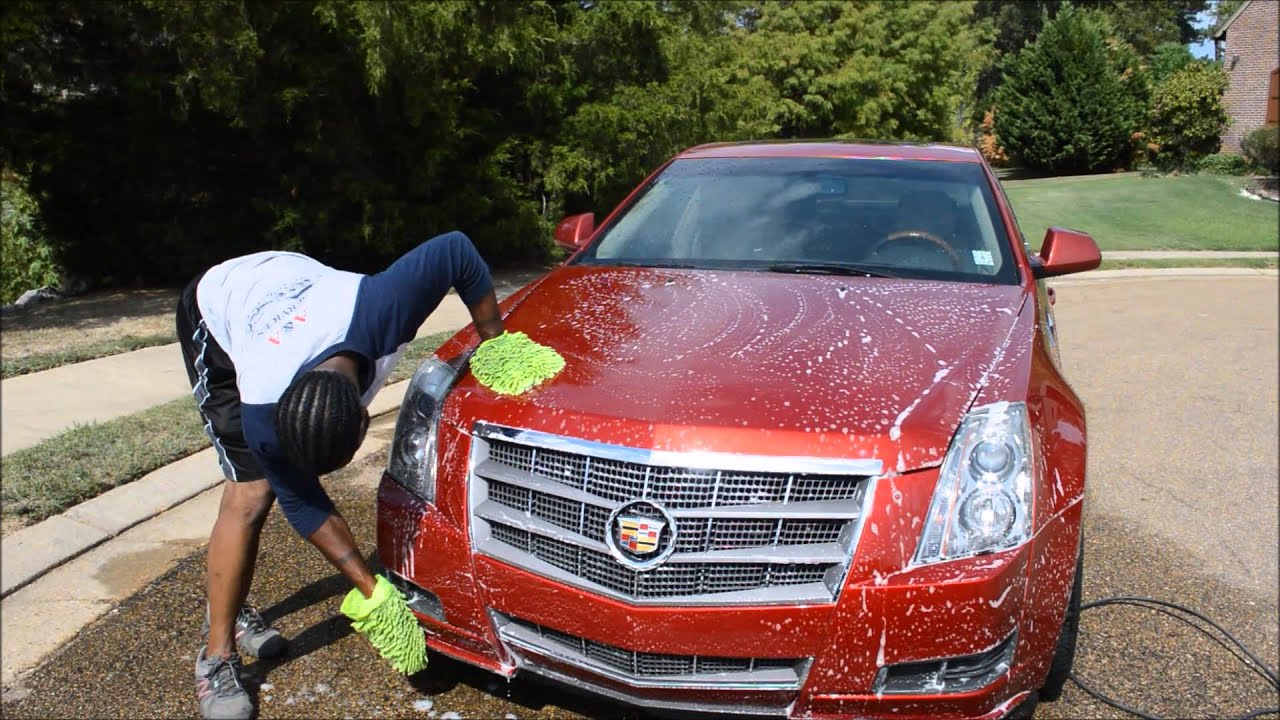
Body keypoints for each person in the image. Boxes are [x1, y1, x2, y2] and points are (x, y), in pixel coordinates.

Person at [176, 231, 504, 720]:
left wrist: (498, 344)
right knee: (251, 494)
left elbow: (456, 250)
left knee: (264, 488)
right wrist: (374, 593)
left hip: (290, 282)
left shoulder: (385, 307)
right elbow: (304, 503)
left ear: (364, 417)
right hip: (217, 305)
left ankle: (228, 598)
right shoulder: (262, 413)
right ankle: (217, 652)